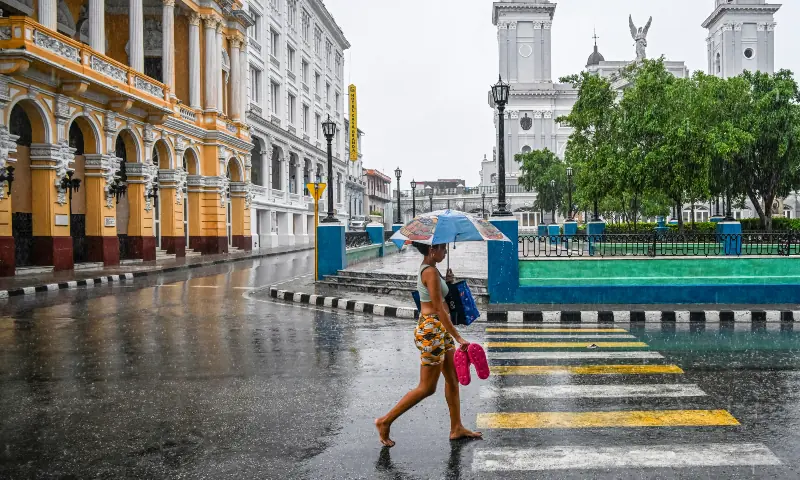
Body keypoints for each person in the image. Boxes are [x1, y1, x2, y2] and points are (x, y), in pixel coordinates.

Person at [375, 242, 482, 447]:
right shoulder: (430, 272)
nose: (445, 251)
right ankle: (384, 421)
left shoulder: (433, 270)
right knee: (427, 387)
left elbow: (441, 300)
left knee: (452, 378)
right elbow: (439, 309)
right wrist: (459, 337)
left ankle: (456, 427)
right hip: (432, 330)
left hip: (439, 329)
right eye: (442, 248)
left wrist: (448, 283)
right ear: (432, 249)